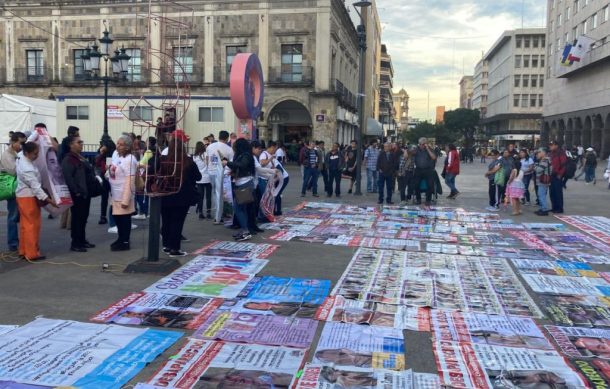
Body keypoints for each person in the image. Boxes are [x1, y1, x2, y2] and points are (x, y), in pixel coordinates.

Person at [15, 142, 58, 260]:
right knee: (32, 225)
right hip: (28, 197)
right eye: (35, 153)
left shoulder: (20, 156)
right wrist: (49, 200)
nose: (37, 155)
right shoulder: (27, 168)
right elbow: (36, 187)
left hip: (22, 195)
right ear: (27, 153)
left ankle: (23, 250)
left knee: (25, 224)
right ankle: (32, 253)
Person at [160, 138, 201, 257]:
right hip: (182, 196)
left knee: (166, 221)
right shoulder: (188, 162)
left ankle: (166, 245)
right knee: (177, 222)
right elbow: (198, 177)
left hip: (166, 194)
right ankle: (174, 248)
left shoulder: (164, 161)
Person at [61, 135, 96, 252]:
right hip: (78, 194)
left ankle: (82, 240)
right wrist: (76, 191)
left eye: (82, 142)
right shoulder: (68, 159)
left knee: (83, 218)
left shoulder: (79, 157)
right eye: (78, 142)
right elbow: (68, 177)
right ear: (71, 145)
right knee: (77, 218)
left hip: (85, 192)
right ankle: (75, 242)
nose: (81, 144)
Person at [108, 134, 137, 251]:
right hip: (115, 194)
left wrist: (126, 199)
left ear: (127, 147)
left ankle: (125, 241)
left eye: (121, 144)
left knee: (124, 219)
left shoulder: (130, 160)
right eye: (117, 143)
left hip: (123, 194)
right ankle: (121, 238)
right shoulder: (118, 157)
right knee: (118, 218)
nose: (118, 146)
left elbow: (130, 180)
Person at [224, 138, 255, 242]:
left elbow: (242, 165)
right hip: (242, 183)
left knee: (238, 208)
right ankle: (244, 230)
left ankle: (245, 231)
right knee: (242, 209)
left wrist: (227, 163)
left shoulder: (245, 155)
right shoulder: (244, 154)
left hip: (244, 184)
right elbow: (241, 168)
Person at [1, 132, 26, 252]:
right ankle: (13, 242)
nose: (22, 145)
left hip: (19, 187)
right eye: (21, 143)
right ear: (14, 142)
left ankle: (18, 240)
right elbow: (13, 171)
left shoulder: (17, 152)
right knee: (13, 215)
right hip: (12, 187)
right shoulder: (7, 154)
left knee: (18, 215)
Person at [205, 130, 233, 225]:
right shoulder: (229, 149)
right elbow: (231, 163)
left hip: (210, 172)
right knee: (220, 195)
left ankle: (218, 215)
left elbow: (207, 159)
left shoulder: (210, 146)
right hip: (222, 174)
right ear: (227, 138)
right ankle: (218, 217)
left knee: (214, 193)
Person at [413, 137, 437, 207]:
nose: (421, 145)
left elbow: (433, 157)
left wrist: (427, 149)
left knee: (430, 184)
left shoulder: (430, 149)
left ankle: (428, 200)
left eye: (423, 144)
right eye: (420, 144)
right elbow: (408, 154)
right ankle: (418, 199)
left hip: (428, 169)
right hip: (418, 169)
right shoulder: (416, 150)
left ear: (426, 144)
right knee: (416, 184)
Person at [193, 141, 212, 219]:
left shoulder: (194, 156)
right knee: (208, 197)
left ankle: (200, 212)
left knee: (200, 197)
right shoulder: (206, 154)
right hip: (207, 178)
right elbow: (208, 164)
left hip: (199, 179)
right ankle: (208, 212)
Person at [548, 140, 567, 213]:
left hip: (557, 175)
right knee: (552, 192)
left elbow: (563, 165)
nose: (550, 146)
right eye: (550, 145)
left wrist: (560, 174)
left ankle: (559, 208)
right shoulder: (550, 153)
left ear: (556, 145)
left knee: (558, 192)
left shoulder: (561, 153)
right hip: (551, 175)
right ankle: (554, 207)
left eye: (552, 145)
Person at [534, 147, 552, 216]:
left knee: (541, 195)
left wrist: (535, 166)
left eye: (539, 152)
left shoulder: (545, 161)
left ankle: (544, 209)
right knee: (541, 194)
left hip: (543, 180)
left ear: (543, 153)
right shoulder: (543, 160)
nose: (537, 154)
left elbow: (538, 170)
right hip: (542, 180)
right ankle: (542, 208)